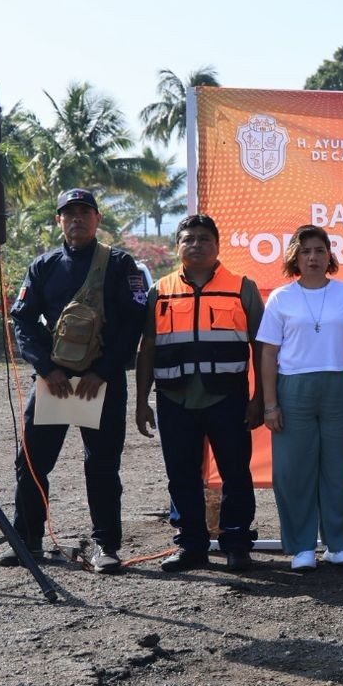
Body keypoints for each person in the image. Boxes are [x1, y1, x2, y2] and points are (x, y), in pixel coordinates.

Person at [6, 188, 148, 573]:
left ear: (97, 219)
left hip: (99, 382)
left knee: (101, 466)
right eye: (69, 213)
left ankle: (105, 546)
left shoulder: (119, 264)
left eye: (85, 211)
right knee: (32, 462)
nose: (77, 219)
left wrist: (102, 372)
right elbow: (22, 319)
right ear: (59, 221)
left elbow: (135, 321)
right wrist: (46, 368)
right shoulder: (44, 266)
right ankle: (28, 540)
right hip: (55, 380)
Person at [136, 214, 264, 573]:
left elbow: (262, 346)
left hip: (228, 397)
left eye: (204, 238)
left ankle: (237, 544)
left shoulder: (242, 287)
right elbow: (147, 348)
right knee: (181, 475)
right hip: (174, 397)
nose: (196, 245)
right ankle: (191, 545)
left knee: (235, 473)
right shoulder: (160, 290)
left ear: (218, 246)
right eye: (188, 239)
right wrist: (141, 401)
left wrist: (259, 399)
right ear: (177, 246)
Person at [259, 225, 343, 571]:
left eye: (319, 250)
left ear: (329, 255)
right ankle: (302, 547)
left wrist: (338, 357)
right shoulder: (281, 298)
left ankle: (339, 544)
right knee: (294, 471)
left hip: (337, 387)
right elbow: (268, 353)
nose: (313, 257)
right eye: (305, 251)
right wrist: (270, 404)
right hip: (293, 389)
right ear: (295, 257)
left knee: (337, 468)